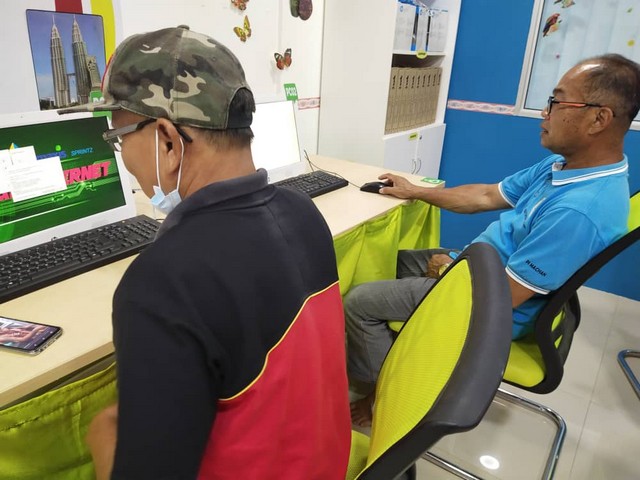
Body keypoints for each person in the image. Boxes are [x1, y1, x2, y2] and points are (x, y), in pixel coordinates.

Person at [59, 25, 351, 479]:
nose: (124, 159)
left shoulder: (164, 283)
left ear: (167, 141)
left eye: (119, 139)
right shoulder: (303, 213)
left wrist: (102, 438)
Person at [347, 53, 639, 427]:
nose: (544, 113)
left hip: (491, 305)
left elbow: (503, 297)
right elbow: (486, 195)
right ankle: (387, 355)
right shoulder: (565, 166)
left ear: (599, 119)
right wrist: (416, 191)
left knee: (359, 303)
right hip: (475, 266)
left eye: (557, 102)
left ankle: (386, 400)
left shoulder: (581, 210)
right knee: (384, 257)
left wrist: (447, 274)